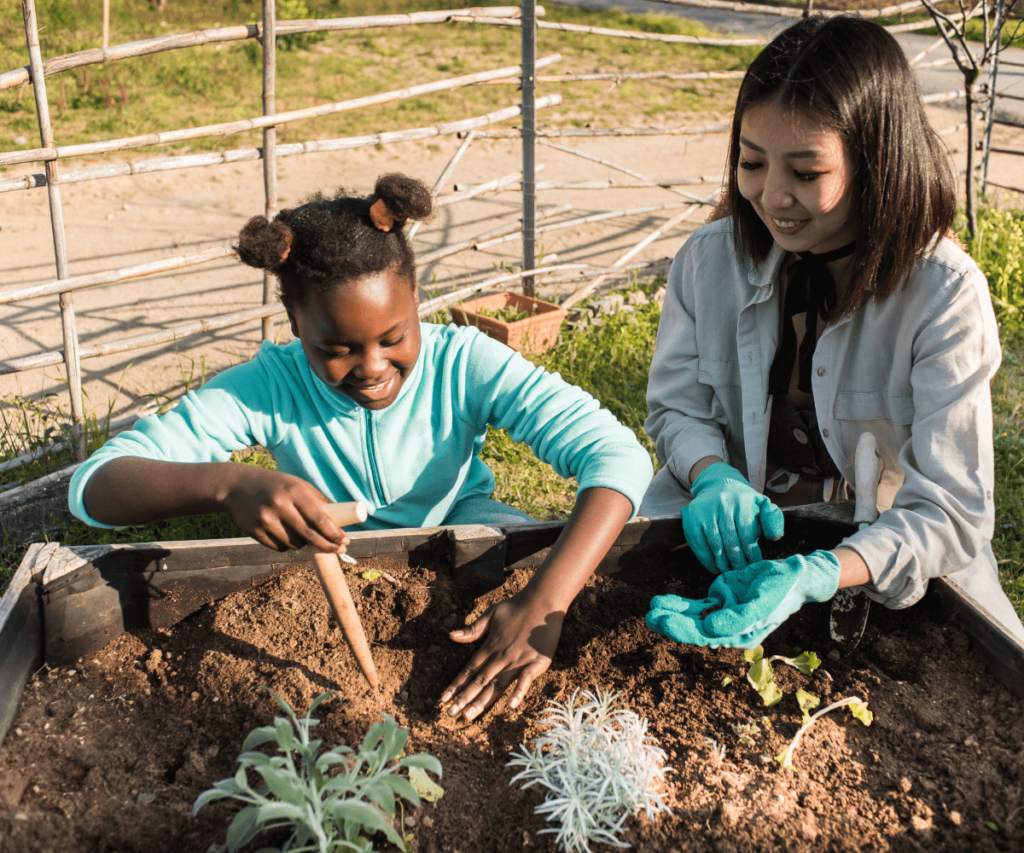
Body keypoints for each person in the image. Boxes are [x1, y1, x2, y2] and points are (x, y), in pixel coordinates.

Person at [68, 173, 654, 718]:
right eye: (338, 349)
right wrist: (231, 483)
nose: (373, 368)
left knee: (536, 572)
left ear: (417, 300)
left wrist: (544, 604)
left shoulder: (466, 363)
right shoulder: (270, 388)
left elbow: (619, 456)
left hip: (461, 521)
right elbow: (93, 488)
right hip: (335, 556)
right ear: (296, 327)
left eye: (394, 337)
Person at [641, 15, 1024, 647]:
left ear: (876, 162)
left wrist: (818, 572)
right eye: (751, 162)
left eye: (806, 172)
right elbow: (679, 406)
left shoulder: (943, 293)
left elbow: (950, 510)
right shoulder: (710, 262)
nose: (771, 196)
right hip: (731, 538)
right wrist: (712, 473)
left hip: (890, 553)